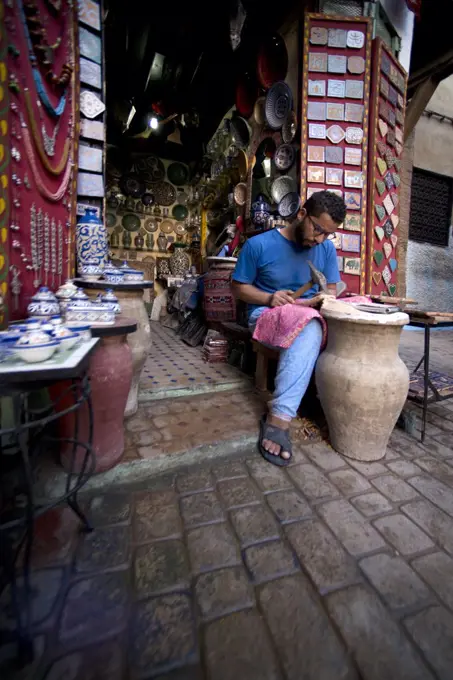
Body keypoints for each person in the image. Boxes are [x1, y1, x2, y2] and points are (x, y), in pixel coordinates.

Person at [232, 190, 346, 466]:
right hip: (266, 314)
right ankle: (279, 419)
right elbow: (237, 288)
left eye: (327, 235)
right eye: (317, 229)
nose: (319, 239)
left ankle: (335, 403)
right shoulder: (258, 245)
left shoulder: (325, 249)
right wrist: (269, 298)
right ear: (302, 214)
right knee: (310, 328)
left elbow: (331, 288)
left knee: (351, 315)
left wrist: (320, 299)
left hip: (306, 313)